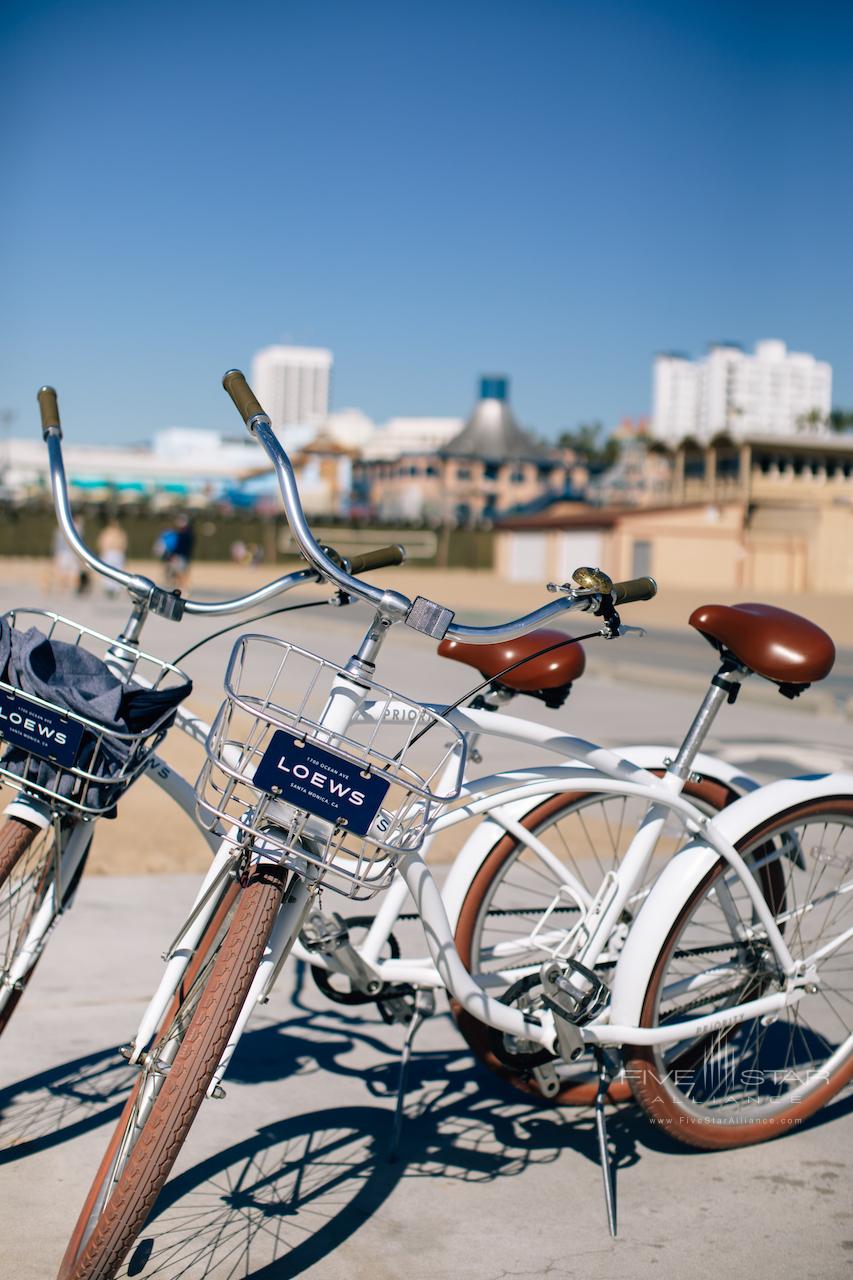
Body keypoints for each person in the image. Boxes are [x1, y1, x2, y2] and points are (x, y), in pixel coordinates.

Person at [96, 517, 128, 597]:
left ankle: (115, 588)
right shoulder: (106, 532)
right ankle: (108, 587)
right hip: (109, 553)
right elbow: (101, 542)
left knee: (118, 571)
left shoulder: (120, 532)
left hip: (117, 553)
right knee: (107, 571)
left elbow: (124, 543)